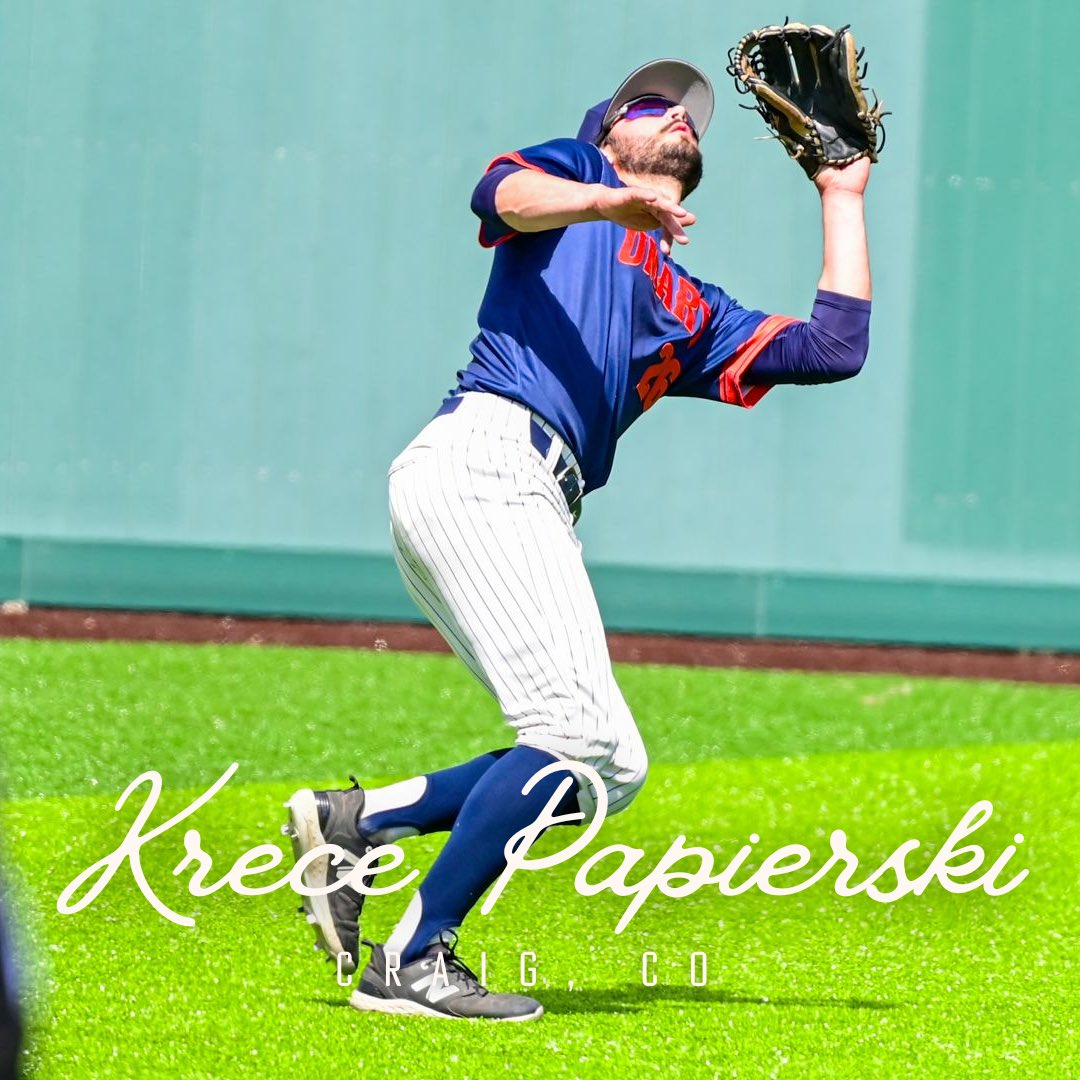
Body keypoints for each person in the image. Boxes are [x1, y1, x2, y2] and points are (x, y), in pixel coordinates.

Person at [285, 58, 872, 1021]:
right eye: (651, 105)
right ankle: (412, 959)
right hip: (486, 458)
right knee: (569, 735)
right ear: (606, 134)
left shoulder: (689, 308)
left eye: (691, 118)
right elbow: (500, 196)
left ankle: (360, 821)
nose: (677, 117)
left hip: (522, 492)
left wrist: (840, 195)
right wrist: (606, 203)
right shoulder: (575, 178)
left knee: (611, 769)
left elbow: (833, 348)